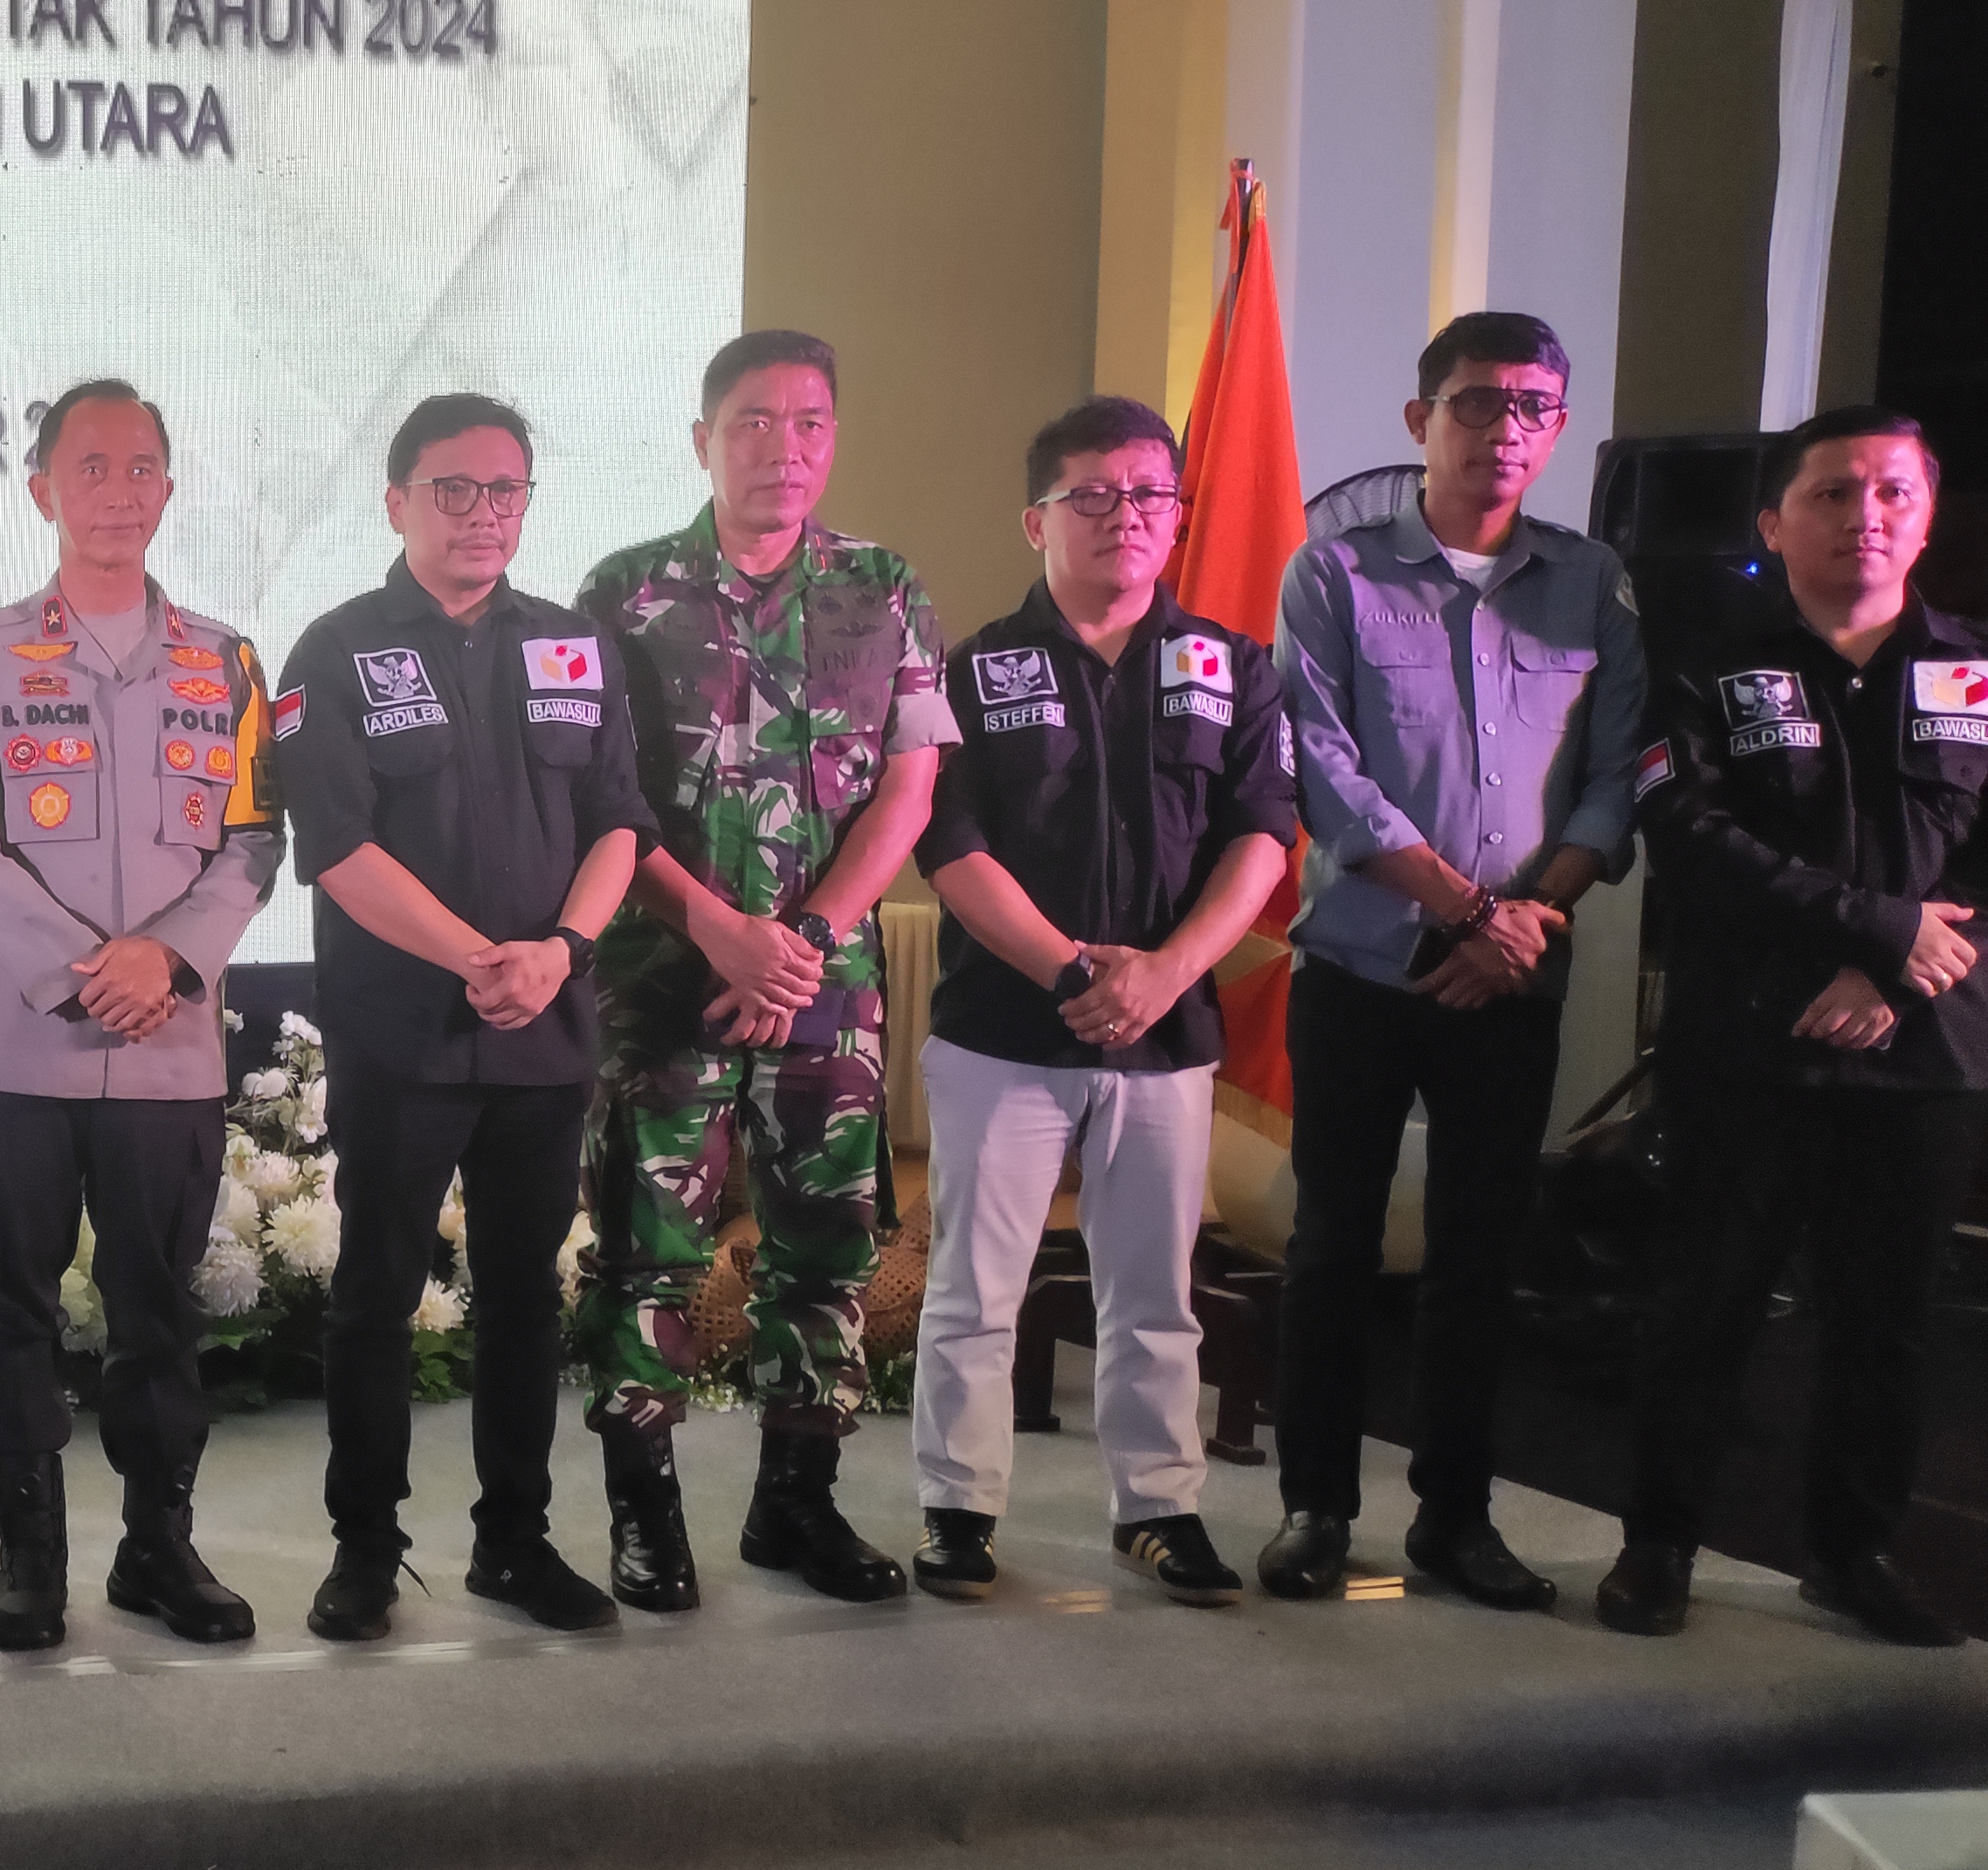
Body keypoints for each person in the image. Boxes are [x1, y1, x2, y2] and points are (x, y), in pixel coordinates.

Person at [273, 392, 762, 1644]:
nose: (483, 514)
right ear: (397, 502)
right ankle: (365, 1551)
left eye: (507, 492)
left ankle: (514, 1541)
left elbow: (619, 821)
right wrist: (476, 956)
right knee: (377, 1296)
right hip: (403, 1031)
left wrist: (561, 953)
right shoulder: (335, 649)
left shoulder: (573, 645)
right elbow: (335, 847)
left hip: (544, 1033)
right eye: (454, 490)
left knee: (523, 1301)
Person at [1265, 311, 1642, 1609]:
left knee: (1482, 1257)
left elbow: (1615, 780)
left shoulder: (1593, 583)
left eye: (1534, 406)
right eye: (1478, 402)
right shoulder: (1335, 573)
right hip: (1361, 971)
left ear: (1558, 426)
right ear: (1422, 420)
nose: (1506, 428)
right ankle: (1316, 1506)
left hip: (1515, 981)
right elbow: (1324, 769)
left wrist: (1523, 923)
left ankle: (1456, 1516)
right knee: (1332, 1247)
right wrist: (1469, 913)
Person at [572, 329, 951, 1611]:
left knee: (825, 1253)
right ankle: (646, 1516)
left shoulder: (884, 586)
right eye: (751, 422)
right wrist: (721, 933)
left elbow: (910, 784)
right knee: (647, 1252)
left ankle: (797, 1505)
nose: (781, 448)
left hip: (825, 993)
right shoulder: (623, 592)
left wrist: (810, 939)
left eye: (808, 424)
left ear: (832, 440)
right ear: (702, 439)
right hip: (665, 978)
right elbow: (600, 797)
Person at [907, 398, 1299, 1604]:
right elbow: (949, 844)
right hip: (1006, 1031)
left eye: (1148, 494)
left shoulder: (1234, 668)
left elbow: (1264, 836)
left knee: (1154, 1294)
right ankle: (958, 1509)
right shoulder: (972, 671)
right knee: (976, 1290)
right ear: (1037, 520)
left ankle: (1159, 1509)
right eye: (1091, 494)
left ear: (1176, 516)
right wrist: (1073, 974)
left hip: (1166, 1035)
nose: (1124, 515)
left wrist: (1164, 972)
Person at [1605, 408, 1979, 1647]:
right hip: (1747, 1046)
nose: (1863, 515)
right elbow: (1690, 839)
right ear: (1773, 523)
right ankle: (1659, 1544)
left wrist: (1892, 975)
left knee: (1885, 1325)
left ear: (1925, 514)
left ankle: (1852, 1553)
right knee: (1704, 1302)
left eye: (1890, 492)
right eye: (1830, 493)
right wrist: (1876, 927)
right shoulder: (1706, 672)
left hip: (1923, 1051)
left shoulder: (1976, 672)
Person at [0, 379, 280, 1649]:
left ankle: (157, 1548)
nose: (118, 492)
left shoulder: (228, 663)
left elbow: (252, 843)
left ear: (169, 488)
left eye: (141, 468)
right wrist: (89, 968)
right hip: (17, 1053)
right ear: (41, 490)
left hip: (170, 1054)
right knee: (10, 1307)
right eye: (90, 467)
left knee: (158, 1310)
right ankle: (30, 1560)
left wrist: (165, 960)